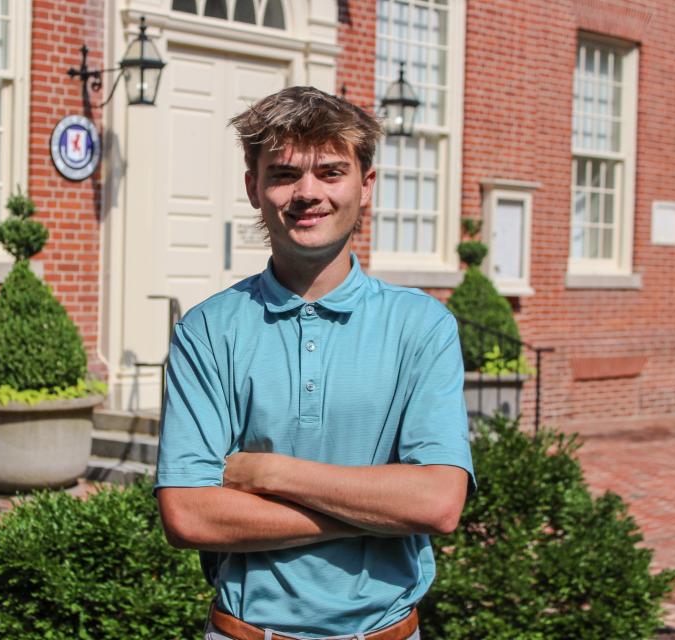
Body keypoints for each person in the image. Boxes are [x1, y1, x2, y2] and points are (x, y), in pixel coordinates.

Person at [154, 86, 475, 640]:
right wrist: (375, 514)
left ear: (365, 185)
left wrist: (271, 473)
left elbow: (439, 503)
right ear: (253, 187)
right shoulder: (207, 331)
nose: (307, 193)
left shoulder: (422, 326)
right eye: (283, 174)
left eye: (330, 172)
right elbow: (188, 514)